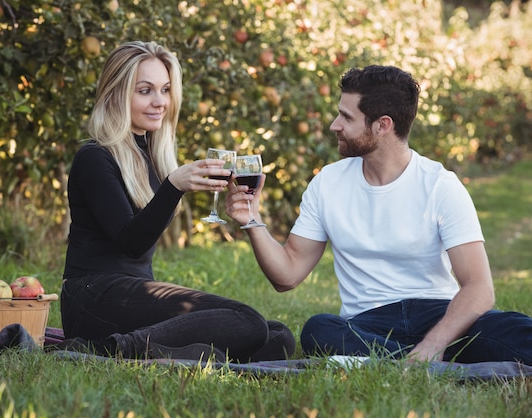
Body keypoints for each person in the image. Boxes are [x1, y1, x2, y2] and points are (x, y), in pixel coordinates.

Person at [225, 65, 532, 364]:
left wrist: (434, 342)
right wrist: (252, 220)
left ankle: (414, 356)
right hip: (367, 323)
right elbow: (287, 276)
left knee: (517, 330)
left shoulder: (440, 185)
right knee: (319, 330)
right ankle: (426, 361)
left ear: (382, 125)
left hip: (438, 314)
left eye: (346, 117)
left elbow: (479, 288)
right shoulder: (327, 183)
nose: (335, 124)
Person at [59, 40, 295, 363]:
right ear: (117, 93)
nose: (160, 102)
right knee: (249, 323)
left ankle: (163, 350)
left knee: (278, 336)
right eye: (145, 91)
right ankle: (116, 349)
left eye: (165, 90)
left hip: (133, 294)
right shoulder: (94, 158)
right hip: (91, 299)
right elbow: (131, 243)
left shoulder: (151, 157)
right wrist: (174, 186)